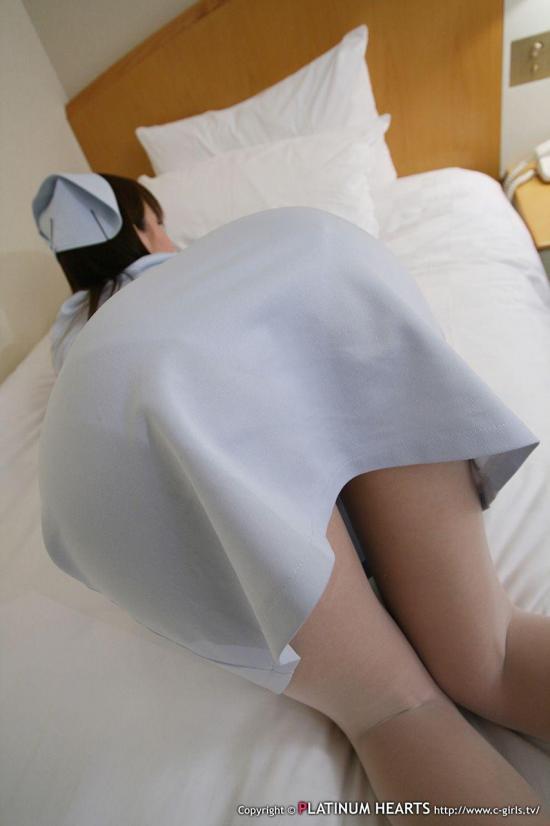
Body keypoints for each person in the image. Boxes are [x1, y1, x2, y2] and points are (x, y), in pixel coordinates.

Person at [34, 173, 550, 823]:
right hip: (311, 269)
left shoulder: (75, 338)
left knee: (396, 710)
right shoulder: (224, 258)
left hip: (105, 414)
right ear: (145, 227)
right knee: (490, 654)